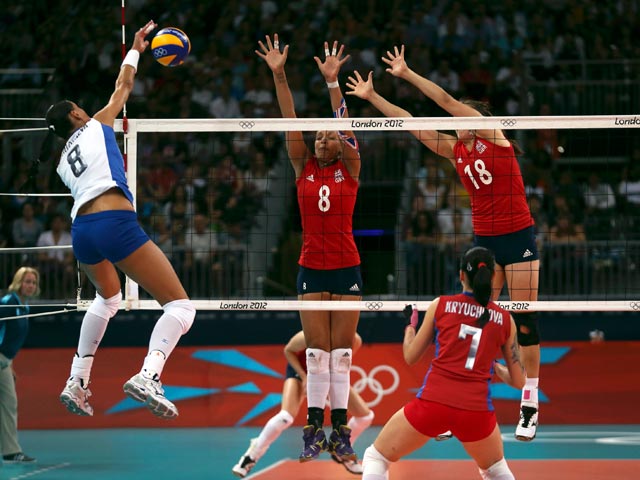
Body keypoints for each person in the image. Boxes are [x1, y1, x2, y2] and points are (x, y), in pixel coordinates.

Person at [346, 45, 541, 441]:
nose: (454, 120)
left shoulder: (493, 135)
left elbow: (448, 101)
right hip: (485, 243)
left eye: (460, 116)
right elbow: (408, 123)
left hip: (518, 236)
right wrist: (373, 97)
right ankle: (456, 402)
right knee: (474, 318)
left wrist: (406, 73)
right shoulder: (456, 151)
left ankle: (530, 405)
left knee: (523, 320)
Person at [39, 20, 195, 419]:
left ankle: (76, 380)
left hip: (82, 232)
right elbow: (123, 86)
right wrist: (137, 48)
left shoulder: (61, 162)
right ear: (77, 113)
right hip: (114, 223)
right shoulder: (96, 123)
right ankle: (149, 375)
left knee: (107, 299)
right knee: (180, 308)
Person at [256, 34, 363, 461]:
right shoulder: (302, 165)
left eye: (328, 137)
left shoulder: (350, 167)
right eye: (318, 137)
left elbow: (345, 123)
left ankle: (341, 432)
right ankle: (313, 429)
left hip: (346, 266)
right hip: (311, 268)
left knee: (341, 356)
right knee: (317, 356)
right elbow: (289, 118)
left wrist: (333, 83)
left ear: (339, 143)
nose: (321, 140)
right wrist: (279, 75)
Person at [361, 247, 526, 480]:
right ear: (493, 276)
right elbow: (519, 381)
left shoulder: (441, 305)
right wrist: (494, 366)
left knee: (376, 457)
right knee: (496, 470)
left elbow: (410, 356)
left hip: (434, 404)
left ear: (461, 275)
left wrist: (410, 326)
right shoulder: (505, 319)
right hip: (476, 411)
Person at [232, 331, 374, 477]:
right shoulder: (310, 334)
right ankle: (251, 456)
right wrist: (305, 377)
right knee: (285, 417)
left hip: (328, 374)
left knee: (365, 416)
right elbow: (288, 351)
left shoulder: (354, 340)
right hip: (301, 372)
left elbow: (342, 364)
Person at [0, 267, 39, 464]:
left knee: (9, 404)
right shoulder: (8, 302)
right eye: (27, 281)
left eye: (33, 282)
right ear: (18, 282)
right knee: (8, 403)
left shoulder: (24, 307)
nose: (30, 285)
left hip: (5, 362)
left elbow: (10, 339)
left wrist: (10, 364)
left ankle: (10, 452)